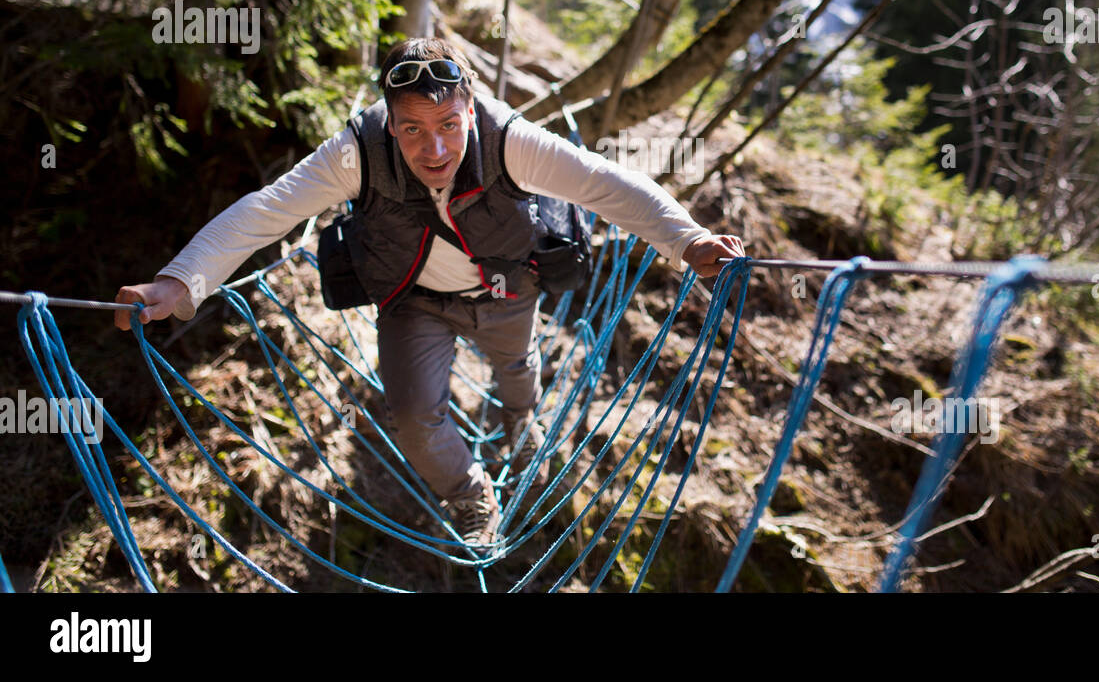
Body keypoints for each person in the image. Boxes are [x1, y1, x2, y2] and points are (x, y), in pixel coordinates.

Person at [114, 37, 745, 547]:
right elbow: (267, 211)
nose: (435, 147)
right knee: (414, 419)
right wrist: (179, 281)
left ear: (470, 109)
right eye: (412, 129)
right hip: (413, 298)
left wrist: (688, 242)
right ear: (390, 123)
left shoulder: (511, 141)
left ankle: (520, 421)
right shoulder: (355, 153)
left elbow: (606, 185)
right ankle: (471, 492)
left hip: (505, 289)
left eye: (448, 123)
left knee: (517, 369)